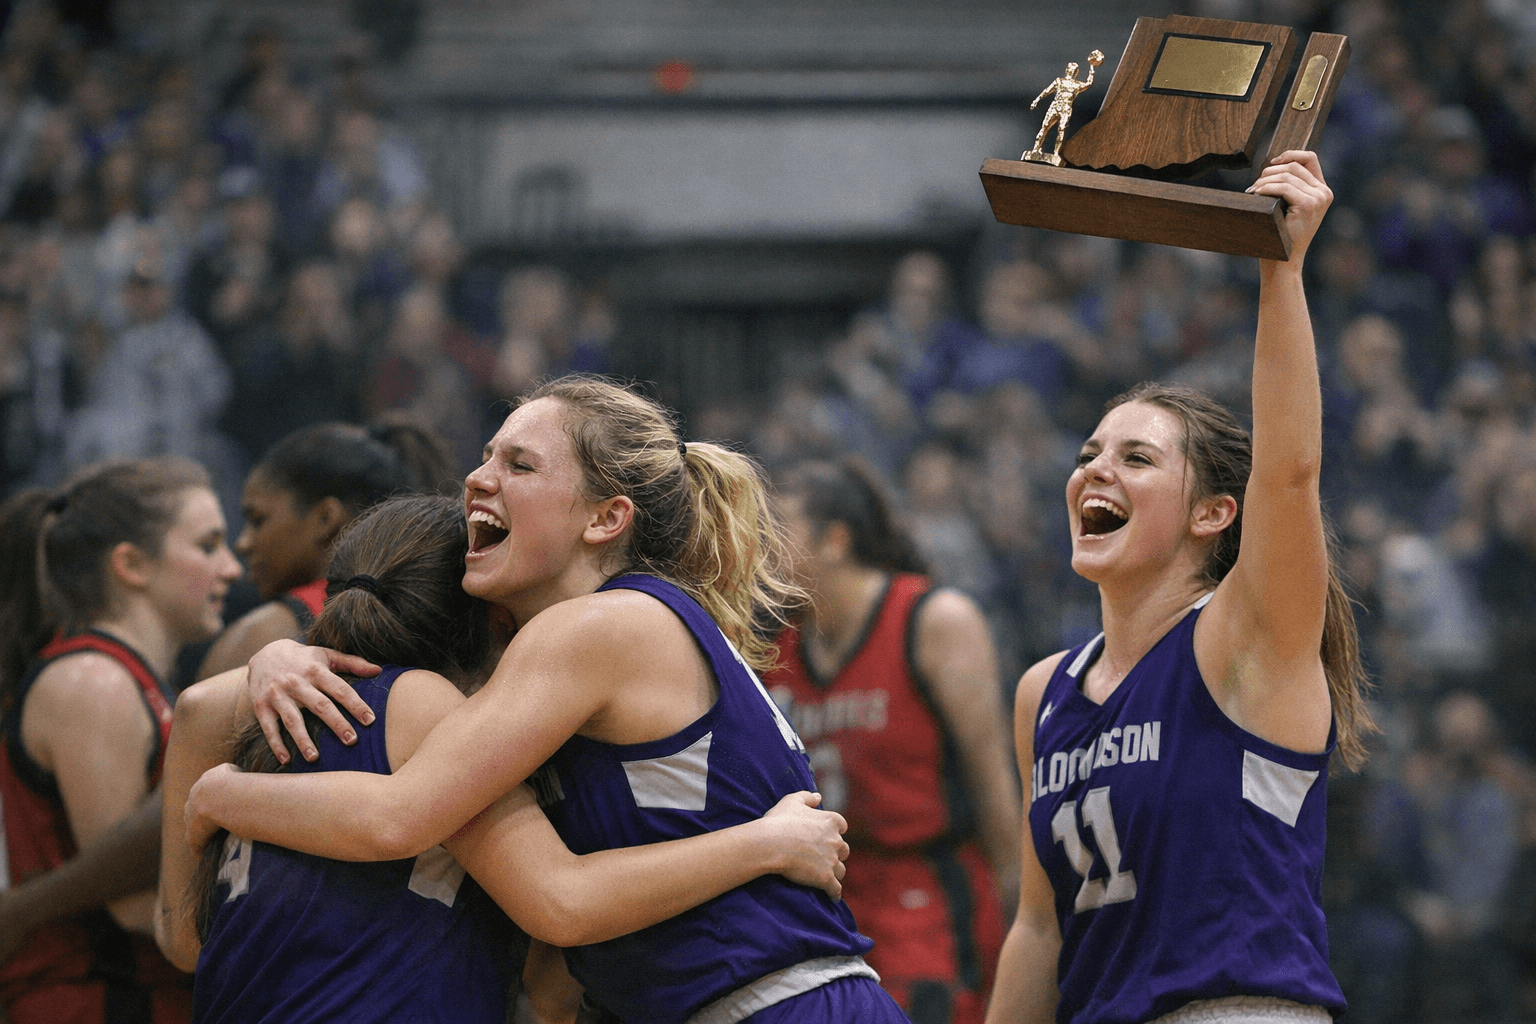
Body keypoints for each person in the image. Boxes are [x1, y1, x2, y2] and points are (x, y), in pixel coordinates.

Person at [186, 375, 911, 1023]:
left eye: (518, 464)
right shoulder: (581, 641)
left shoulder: (596, 628)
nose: (476, 478)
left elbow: (400, 818)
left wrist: (220, 795)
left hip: (780, 1003)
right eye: (487, 455)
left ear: (604, 520)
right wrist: (277, 656)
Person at [985, 151, 1372, 1024]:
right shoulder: (1042, 694)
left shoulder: (1245, 639)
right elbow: (1039, 931)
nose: (1095, 471)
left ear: (1211, 515)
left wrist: (1280, 268)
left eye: (1136, 458)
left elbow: (1291, 474)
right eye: (1087, 454)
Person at [765, 458, 1021, 1024]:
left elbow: (995, 789)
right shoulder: (774, 648)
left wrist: (1030, 927)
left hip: (929, 900)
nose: (761, 549)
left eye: (778, 530)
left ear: (834, 540)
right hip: (830, 903)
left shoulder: (934, 620)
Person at [0, 457, 242, 1023]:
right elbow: (134, 906)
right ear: (131, 564)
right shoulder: (92, 682)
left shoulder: (129, 677)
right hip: (97, 999)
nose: (231, 568)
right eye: (208, 546)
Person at [197, 418, 457, 678]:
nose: (243, 544)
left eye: (257, 520)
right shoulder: (436, 622)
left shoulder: (265, 634)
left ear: (325, 519)